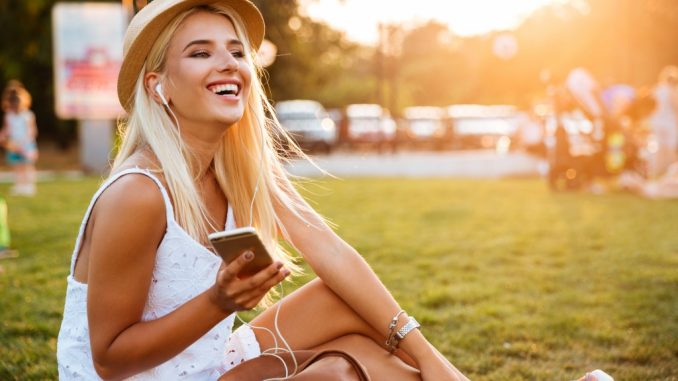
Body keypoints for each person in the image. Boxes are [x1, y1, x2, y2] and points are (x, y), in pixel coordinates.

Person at [56, 1, 468, 380]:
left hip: (205, 358)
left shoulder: (239, 168)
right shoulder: (138, 194)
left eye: (236, 52)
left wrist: (431, 359)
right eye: (201, 53)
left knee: (345, 305)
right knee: (336, 373)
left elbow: (331, 251)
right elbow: (108, 359)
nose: (228, 64)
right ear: (157, 85)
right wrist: (219, 301)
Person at [0, 81, 38, 196]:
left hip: (26, 145)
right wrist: (3, 135)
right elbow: (7, 129)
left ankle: (29, 186)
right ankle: (20, 185)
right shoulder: (9, 116)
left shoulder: (28, 115)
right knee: (17, 166)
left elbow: (32, 131)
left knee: (27, 165)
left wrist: (23, 143)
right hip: (14, 145)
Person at [647, 65, 678, 178]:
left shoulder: (657, 89)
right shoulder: (672, 90)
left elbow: (650, 106)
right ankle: (672, 173)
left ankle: (656, 172)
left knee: (660, 148)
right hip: (669, 123)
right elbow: (675, 107)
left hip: (656, 121)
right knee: (671, 148)